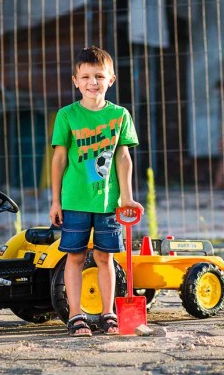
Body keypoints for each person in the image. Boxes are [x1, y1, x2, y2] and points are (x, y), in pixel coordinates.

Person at [49, 46, 145, 336]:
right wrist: (55, 201)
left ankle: (108, 313)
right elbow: (60, 159)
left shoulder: (120, 115)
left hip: (108, 203)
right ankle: (76, 315)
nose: (93, 82)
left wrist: (126, 196)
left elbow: (123, 157)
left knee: (106, 257)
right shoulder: (67, 116)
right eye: (86, 76)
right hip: (75, 201)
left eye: (99, 76)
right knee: (75, 257)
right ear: (75, 80)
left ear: (111, 80)